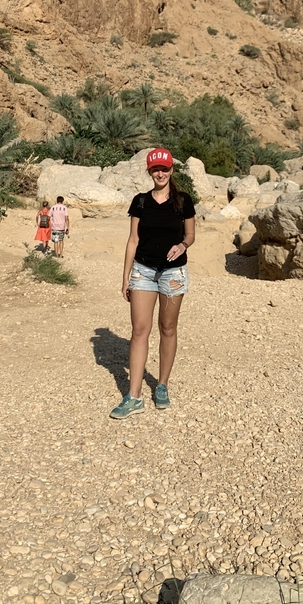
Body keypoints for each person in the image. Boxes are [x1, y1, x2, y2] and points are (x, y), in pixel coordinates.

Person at [110, 148, 196, 419]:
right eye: (155, 169)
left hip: (172, 274)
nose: (160, 173)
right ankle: (134, 396)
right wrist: (125, 277)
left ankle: (161, 385)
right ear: (149, 172)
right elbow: (133, 240)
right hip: (143, 271)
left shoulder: (183, 201)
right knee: (139, 330)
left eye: (164, 168)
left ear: (171, 170)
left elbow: (191, 234)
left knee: (167, 328)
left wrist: (182, 245)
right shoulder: (140, 202)